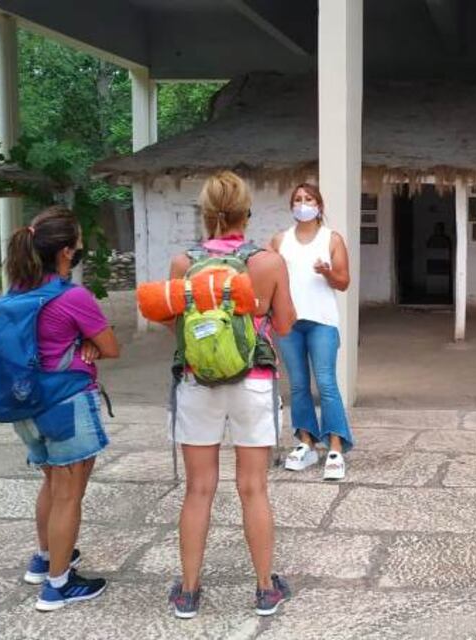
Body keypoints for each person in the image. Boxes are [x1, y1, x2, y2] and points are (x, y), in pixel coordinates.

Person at [167, 171, 296, 619]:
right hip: (253, 381)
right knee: (253, 487)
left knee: (199, 489)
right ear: (247, 212)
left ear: (204, 214)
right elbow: (285, 324)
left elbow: (175, 325)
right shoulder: (268, 262)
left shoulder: (184, 262)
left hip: (197, 382)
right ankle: (264, 589)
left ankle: (187, 592)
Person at [7, 206, 120, 611]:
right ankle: (58, 585)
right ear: (66, 252)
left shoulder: (16, 293)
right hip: (66, 402)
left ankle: (44, 558)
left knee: (52, 484)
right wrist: (85, 347)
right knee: (69, 494)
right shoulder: (73, 296)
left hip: (27, 405)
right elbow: (110, 347)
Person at [270, 183, 354, 480]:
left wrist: (327, 272)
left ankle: (335, 446)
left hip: (322, 321)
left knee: (327, 384)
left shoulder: (331, 239)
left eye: (308, 199)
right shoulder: (280, 240)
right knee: (298, 386)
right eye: (297, 199)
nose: (303, 204)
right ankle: (306, 442)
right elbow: (267, 278)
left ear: (319, 204)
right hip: (288, 322)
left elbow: (344, 282)